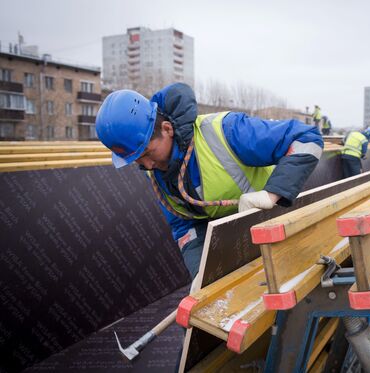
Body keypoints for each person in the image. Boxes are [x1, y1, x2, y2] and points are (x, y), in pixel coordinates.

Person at [95, 83, 323, 279]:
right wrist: (201, 276)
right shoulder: (155, 172)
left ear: (167, 129)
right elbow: (185, 226)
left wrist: (272, 194)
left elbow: (307, 138)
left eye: (147, 153)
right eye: (137, 160)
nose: (147, 165)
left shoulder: (225, 131)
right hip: (245, 244)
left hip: (282, 222)